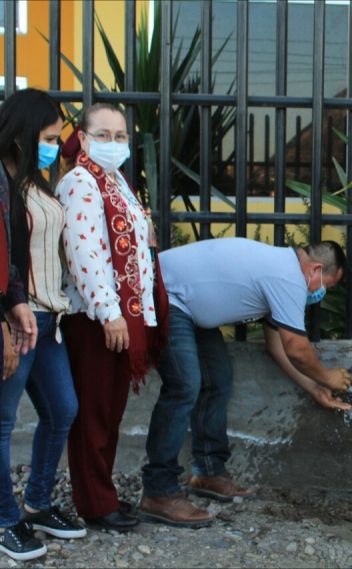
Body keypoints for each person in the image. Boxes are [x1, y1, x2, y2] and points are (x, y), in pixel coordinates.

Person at [138, 237, 351, 527]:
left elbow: (277, 348)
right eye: (328, 284)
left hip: (188, 307)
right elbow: (296, 349)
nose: (322, 292)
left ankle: (208, 472)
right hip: (166, 297)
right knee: (184, 386)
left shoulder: (282, 270)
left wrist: (315, 388)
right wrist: (328, 376)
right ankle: (158, 492)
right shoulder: (289, 278)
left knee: (218, 379)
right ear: (315, 269)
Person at [56, 103, 168, 533]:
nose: (113, 144)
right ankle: (95, 504)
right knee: (94, 412)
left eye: (121, 137)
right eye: (103, 135)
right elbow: (86, 253)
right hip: (97, 318)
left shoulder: (116, 180)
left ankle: (100, 493)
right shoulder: (81, 183)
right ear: (82, 139)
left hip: (119, 315)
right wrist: (109, 312)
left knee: (109, 409)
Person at [0, 89, 82, 561]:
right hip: (19, 316)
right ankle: (5, 519)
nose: (55, 145)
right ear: (25, 134)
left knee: (62, 410)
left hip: (49, 318)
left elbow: (82, 145)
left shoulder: (37, 182)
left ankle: (37, 501)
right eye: (48, 137)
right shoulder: (4, 185)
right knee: (3, 423)